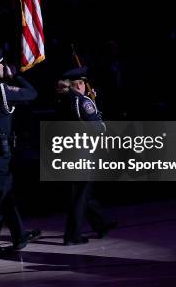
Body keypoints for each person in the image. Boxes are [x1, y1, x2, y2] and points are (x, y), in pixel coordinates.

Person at [0, 47, 41, 258]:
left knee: (5, 195)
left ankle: (19, 235)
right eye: (2, 65)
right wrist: (15, 76)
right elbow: (32, 94)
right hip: (0, 153)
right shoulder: (0, 90)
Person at [56, 67, 116, 245]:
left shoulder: (63, 99)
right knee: (80, 195)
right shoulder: (83, 101)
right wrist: (94, 106)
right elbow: (96, 126)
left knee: (81, 193)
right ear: (80, 84)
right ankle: (72, 236)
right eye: (83, 83)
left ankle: (101, 224)